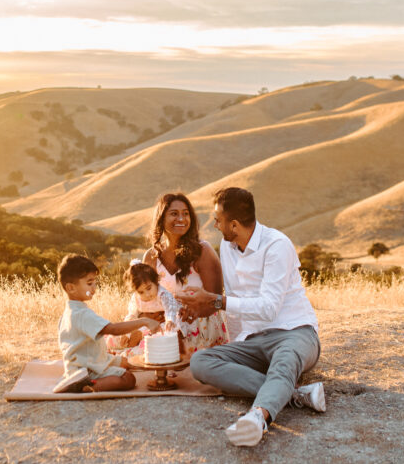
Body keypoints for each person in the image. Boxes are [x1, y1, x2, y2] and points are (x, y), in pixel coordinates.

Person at [180, 187, 325, 446]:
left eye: (218, 219)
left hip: (294, 332)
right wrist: (237, 343)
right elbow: (236, 299)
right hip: (253, 341)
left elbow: (268, 308)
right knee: (201, 362)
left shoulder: (277, 245)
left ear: (234, 224)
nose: (214, 224)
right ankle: (294, 394)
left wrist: (215, 301)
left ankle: (258, 418)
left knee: (284, 361)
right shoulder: (228, 245)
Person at [54, 254, 160, 393]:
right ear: (71, 288)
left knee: (124, 363)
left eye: (94, 282)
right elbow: (113, 329)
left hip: (77, 366)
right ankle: (87, 386)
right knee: (128, 379)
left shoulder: (69, 312)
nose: (94, 287)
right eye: (89, 283)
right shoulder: (83, 314)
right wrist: (144, 321)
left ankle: (78, 381)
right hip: (87, 370)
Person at [143, 192, 229, 356]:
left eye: (185, 214)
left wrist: (195, 311)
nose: (181, 219)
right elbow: (145, 298)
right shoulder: (151, 256)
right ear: (161, 218)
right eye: (174, 214)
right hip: (166, 327)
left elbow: (217, 302)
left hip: (201, 327)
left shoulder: (202, 251)